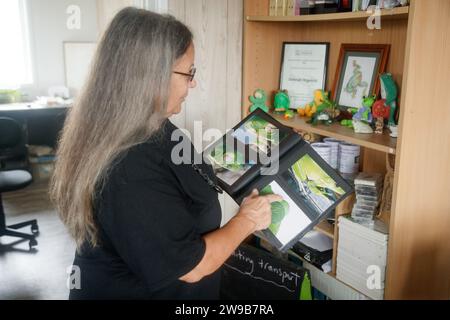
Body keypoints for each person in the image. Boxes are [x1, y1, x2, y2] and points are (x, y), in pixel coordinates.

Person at [50, 7, 281, 300]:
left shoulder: (154, 124)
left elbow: (185, 182)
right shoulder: (126, 166)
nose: (193, 83)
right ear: (152, 76)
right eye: (189, 73)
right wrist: (247, 221)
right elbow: (191, 266)